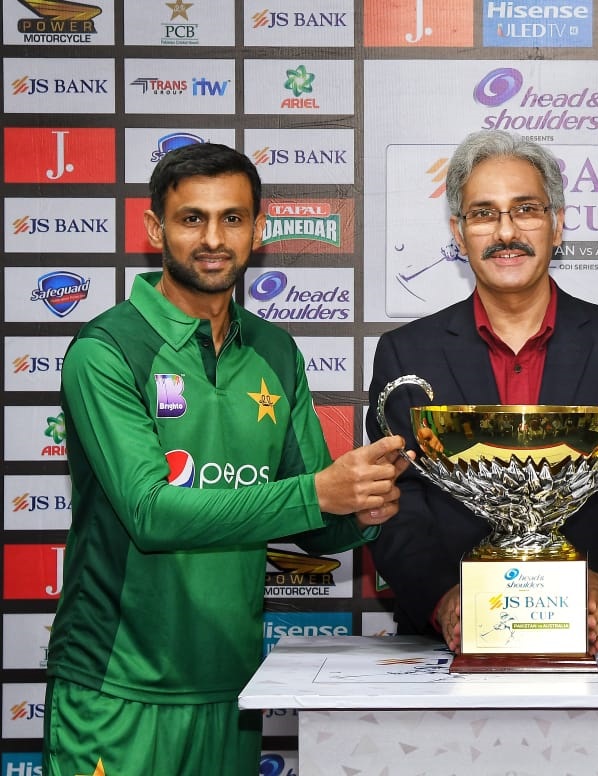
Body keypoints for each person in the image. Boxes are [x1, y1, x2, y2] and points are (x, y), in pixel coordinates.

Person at [43, 143, 410, 775]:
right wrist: (318, 493)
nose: (213, 238)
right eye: (192, 219)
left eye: (232, 218)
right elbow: (152, 513)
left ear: (258, 229)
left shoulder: (274, 349)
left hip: (235, 688)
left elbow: (313, 515)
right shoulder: (106, 350)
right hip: (117, 686)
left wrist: (365, 502)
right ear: (156, 228)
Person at [367, 129, 598, 654]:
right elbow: (396, 501)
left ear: (557, 224)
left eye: (526, 209)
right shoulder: (405, 354)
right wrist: (443, 600)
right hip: (445, 651)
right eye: (484, 213)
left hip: (596, 644)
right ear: (459, 235)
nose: (506, 231)